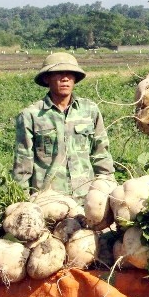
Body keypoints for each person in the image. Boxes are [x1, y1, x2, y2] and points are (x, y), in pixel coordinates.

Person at [12, 52, 115, 197]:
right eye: (59, 73)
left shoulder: (89, 110)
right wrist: (23, 202)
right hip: (48, 201)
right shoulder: (31, 115)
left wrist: (109, 190)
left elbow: (101, 154)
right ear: (46, 78)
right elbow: (23, 165)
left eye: (70, 74)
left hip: (86, 198)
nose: (65, 78)